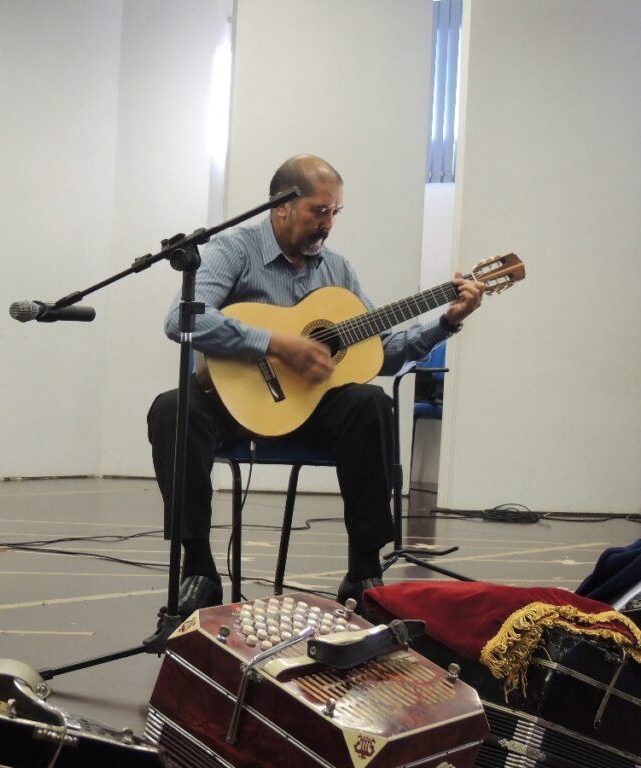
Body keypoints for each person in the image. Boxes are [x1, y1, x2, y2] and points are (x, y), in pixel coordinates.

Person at [147, 155, 484, 616]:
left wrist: (446, 322)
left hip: (310, 411)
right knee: (172, 410)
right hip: (235, 404)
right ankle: (200, 569)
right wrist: (276, 344)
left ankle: (364, 570)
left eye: (335, 212)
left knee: (370, 402)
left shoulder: (338, 271)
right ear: (281, 206)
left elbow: (382, 353)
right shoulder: (234, 249)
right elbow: (182, 319)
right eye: (319, 211)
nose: (328, 224)